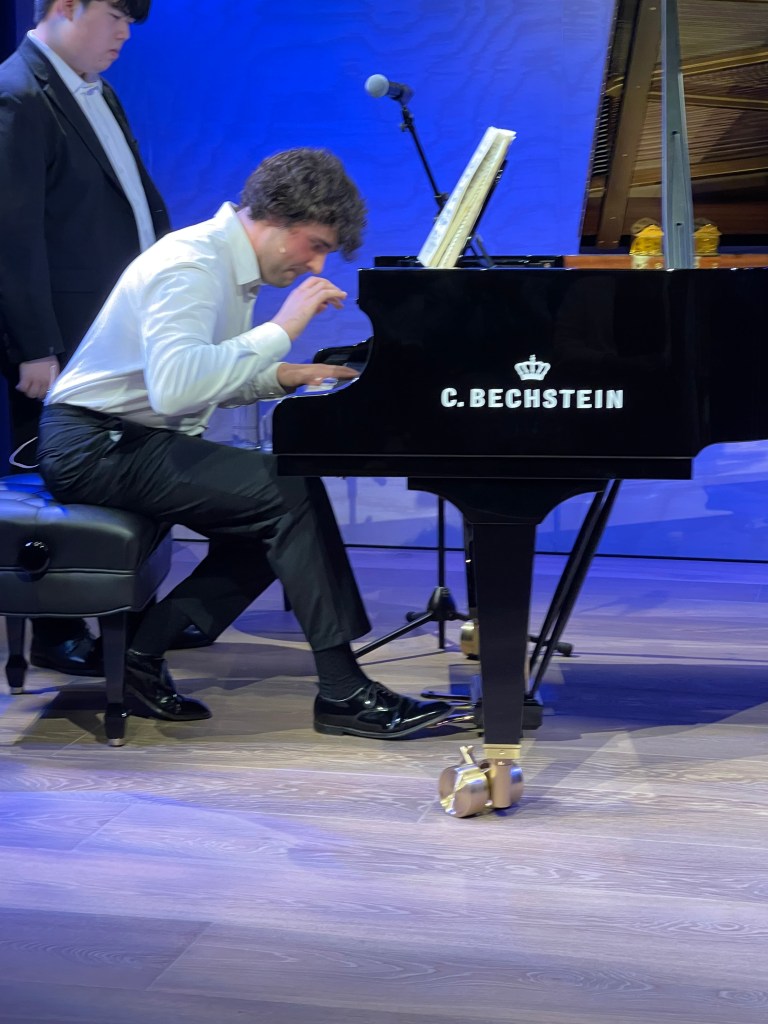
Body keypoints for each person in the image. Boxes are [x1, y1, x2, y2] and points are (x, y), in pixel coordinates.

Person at [36, 147, 453, 740]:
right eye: (315, 245)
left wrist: (286, 374)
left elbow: (206, 377)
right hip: (93, 445)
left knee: (274, 519)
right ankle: (344, 691)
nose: (316, 265)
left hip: (130, 438)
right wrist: (282, 329)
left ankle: (139, 655)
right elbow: (177, 388)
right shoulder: (191, 264)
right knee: (286, 493)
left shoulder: (228, 267)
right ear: (277, 218)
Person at [0, 0, 203, 676]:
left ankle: (132, 624)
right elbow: (12, 236)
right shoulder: (17, 94)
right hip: (64, 344)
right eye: (115, 14)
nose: (124, 32)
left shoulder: (96, 89)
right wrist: (34, 346)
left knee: (133, 478)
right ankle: (57, 633)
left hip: (117, 332)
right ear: (65, 6)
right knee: (61, 485)